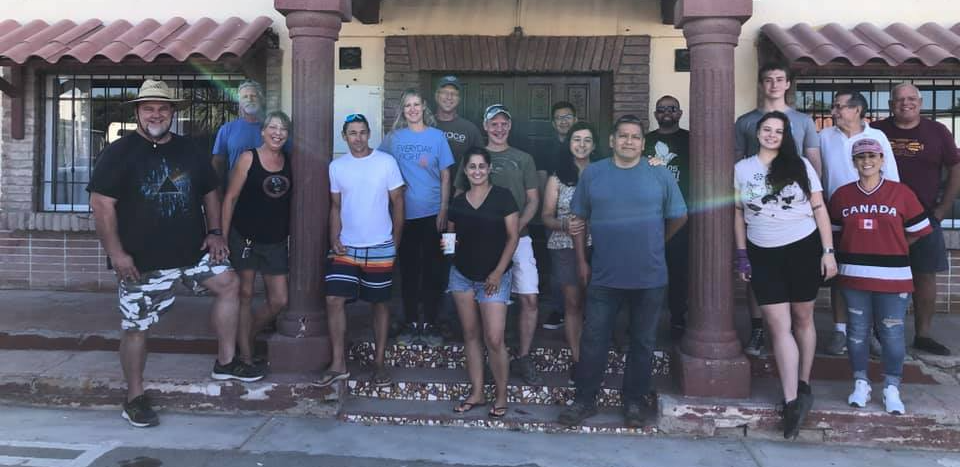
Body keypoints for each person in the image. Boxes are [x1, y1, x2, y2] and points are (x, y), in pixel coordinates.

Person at [87, 80, 264, 428]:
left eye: (163, 108)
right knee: (137, 327)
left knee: (228, 283)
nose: (156, 113)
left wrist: (215, 233)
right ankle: (134, 397)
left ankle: (226, 362)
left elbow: (210, 193)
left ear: (173, 112)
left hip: (191, 250)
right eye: (149, 107)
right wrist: (118, 254)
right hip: (142, 260)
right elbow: (102, 205)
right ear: (137, 112)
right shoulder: (118, 152)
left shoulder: (189, 150)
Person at [558, 115, 687, 428]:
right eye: (623, 136)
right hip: (604, 274)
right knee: (594, 339)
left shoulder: (660, 175)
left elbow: (679, 216)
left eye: (635, 137)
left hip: (650, 275)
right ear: (613, 140)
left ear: (643, 144)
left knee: (642, 342)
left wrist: (658, 239)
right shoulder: (594, 174)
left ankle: (633, 402)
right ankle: (584, 400)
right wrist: (582, 262)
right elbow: (577, 220)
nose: (629, 141)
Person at [733, 111, 837, 439]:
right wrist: (742, 255)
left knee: (802, 318)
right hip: (763, 253)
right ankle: (791, 399)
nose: (771, 135)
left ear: (785, 136)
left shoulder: (801, 166)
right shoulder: (742, 169)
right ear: (757, 133)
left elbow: (819, 208)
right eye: (767, 129)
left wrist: (828, 252)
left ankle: (803, 383)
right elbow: (737, 212)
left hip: (803, 248)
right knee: (779, 327)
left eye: (778, 131)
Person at [828, 138, 933, 415]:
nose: (867, 162)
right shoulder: (841, 195)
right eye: (860, 157)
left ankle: (891, 388)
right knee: (857, 334)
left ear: (882, 159)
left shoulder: (901, 194)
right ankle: (860, 383)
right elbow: (835, 234)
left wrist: (893, 247)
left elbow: (917, 231)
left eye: (872, 156)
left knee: (892, 334)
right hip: (853, 277)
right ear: (854, 162)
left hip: (893, 277)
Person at [734, 63, 822, 357]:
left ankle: (796, 342)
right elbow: (736, 161)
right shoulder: (746, 121)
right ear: (761, 84)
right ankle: (758, 329)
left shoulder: (803, 120)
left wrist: (816, 202)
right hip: (758, 209)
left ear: (788, 84)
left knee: (798, 287)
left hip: (796, 210)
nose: (773, 84)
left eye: (779, 79)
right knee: (758, 272)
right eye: (768, 80)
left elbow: (813, 160)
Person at [316, 113, 405, 388]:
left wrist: (395, 242)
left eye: (363, 132)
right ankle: (338, 364)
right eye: (352, 133)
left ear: (370, 134)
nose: (358, 138)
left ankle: (379, 363)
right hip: (346, 245)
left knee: (379, 304)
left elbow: (399, 203)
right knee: (333, 300)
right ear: (344, 136)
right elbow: (335, 206)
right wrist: (334, 236)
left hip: (380, 245)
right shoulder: (337, 166)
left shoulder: (385, 162)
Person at [455, 104, 542, 385]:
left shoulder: (523, 158)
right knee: (477, 294)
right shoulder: (474, 158)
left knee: (529, 297)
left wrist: (513, 229)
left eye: (504, 123)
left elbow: (533, 199)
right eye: (494, 123)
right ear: (485, 126)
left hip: (520, 237)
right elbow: (459, 198)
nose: (499, 128)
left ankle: (524, 356)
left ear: (510, 126)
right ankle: (490, 357)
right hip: (480, 243)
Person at [872, 83, 960, 356]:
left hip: (924, 216)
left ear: (920, 103)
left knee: (924, 276)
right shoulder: (876, 130)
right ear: (890, 104)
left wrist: (943, 209)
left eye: (911, 99)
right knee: (879, 276)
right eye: (899, 100)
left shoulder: (938, 132)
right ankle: (878, 334)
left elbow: (955, 167)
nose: (905, 103)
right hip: (882, 217)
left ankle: (922, 335)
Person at [820, 90, 900, 356]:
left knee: (872, 278)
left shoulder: (877, 137)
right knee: (840, 276)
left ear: (857, 110)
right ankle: (840, 332)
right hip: (838, 217)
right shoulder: (824, 137)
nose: (834, 112)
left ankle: (870, 333)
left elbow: (892, 180)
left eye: (839, 106)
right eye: (834, 106)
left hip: (873, 215)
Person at [447, 147, 519, 419]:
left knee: (494, 338)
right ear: (465, 171)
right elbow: (449, 237)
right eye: (471, 166)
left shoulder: (503, 197)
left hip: (494, 277)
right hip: (462, 276)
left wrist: (498, 272)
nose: (476, 171)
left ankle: (501, 396)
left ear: (489, 169)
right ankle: (477, 392)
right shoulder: (458, 202)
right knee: (471, 335)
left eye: (481, 166)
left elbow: (512, 237)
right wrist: (451, 258)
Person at [380, 88, 455, 346]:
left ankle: (431, 323)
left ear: (424, 107)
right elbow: (378, 166)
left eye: (416, 104)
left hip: (434, 214)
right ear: (403, 110)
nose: (412, 109)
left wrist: (444, 208)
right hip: (404, 217)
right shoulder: (393, 138)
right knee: (409, 270)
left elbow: (446, 175)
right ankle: (412, 322)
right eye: (407, 105)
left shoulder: (437, 137)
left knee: (434, 270)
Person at [221, 111, 293, 366]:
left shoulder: (289, 160)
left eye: (283, 128)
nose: (278, 132)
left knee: (279, 300)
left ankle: (248, 334)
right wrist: (223, 236)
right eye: (273, 127)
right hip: (245, 238)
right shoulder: (248, 157)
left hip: (275, 241)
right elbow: (230, 198)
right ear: (263, 132)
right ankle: (247, 356)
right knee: (246, 294)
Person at [541, 122, 594, 382]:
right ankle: (578, 359)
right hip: (564, 246)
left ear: (594, 144)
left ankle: (596, 353)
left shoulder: (601, 173)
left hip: (600, 246)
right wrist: (564, 224)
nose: (581, 145)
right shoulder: (557, 176)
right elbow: (546, 217)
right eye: (577, 139)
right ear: (569, 143)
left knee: (596, 303)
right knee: (573, 303)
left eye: (587, 140)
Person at [645, 95, 690, 341]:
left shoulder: (691, 140)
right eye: (661, 109)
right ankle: (642, 321)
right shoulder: (646, 141)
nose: (666, 113)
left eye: (671, 108)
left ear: (680, 113)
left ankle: (677, 320)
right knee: (645, 269)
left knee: (678, 270)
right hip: (649, 216)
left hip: (679, 216)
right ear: (655, 113)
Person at [540, 101, 579, 332]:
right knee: (559, 267)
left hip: (588, 222)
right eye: (559, 118)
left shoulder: (587, 145)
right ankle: (559, 309)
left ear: (575, 119)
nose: (564, 121)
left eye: (568, 117)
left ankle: (581, 310)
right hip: (556, 216)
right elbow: (543, 178)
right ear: (553, 123)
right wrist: (548, 211)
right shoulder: (546, 148)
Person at [433, 75, 485, 172]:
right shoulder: (426, 125)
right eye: (444, 93)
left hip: (461, 187)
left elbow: (482, 165)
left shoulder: (470, 130)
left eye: (454, 94)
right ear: (436, 96)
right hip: (429, 186)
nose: (449, 97)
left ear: (459, 99)